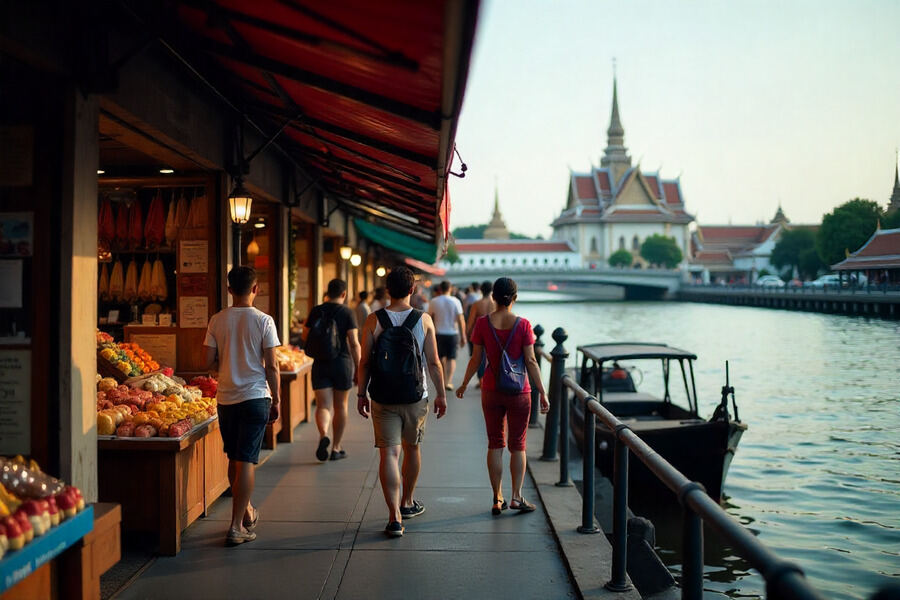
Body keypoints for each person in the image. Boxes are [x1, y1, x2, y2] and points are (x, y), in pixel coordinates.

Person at [357, 266, 446, 537]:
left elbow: (364, 362)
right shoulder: (424, 319)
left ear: (387, 290)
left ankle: (394, 516)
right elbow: (434, 362)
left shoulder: (373, 320)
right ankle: (407, 502)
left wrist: (361, 394)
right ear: (412, 289)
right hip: (415, 396)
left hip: (382, 396)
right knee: (412, 449)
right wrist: (441, 394)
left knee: (389, 454)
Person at [456, 277, 548, 516]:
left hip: (491, 390)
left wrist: (464, 384)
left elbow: (476, 359)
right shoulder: (523, 325)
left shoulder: (483, 324)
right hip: (519, 392)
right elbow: (531, 361)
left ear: (493, 297)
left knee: (495, 443)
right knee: (518, 445)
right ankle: (516, 497)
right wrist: (543, 391)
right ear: (514, 298)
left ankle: (497, 497)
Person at [203, 266, 280, 545]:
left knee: (235, 458)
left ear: (229, 289)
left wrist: (226, 365)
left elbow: (207, 361)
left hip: (226, 398)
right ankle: (236, 527)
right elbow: (272, 365)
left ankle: (246, 512)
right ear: (256, 289)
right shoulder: (264, 321)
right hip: (256, 396)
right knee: (246, 460)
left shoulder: (217, 320)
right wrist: (277, 398)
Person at [304, 279, 361, 462]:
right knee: (341, 406)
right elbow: (354, 343)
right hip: (342, 363)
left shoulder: (316, 310)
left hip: (320, 363)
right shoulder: (347, 312)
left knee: (323, 406)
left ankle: (323, 435)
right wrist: (359, 368)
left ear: (327, 292)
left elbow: (305, 335)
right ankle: (336, 448)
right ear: (344, 294)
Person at [429, 280, 466, 391]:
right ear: (450, 289)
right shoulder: (456, 301)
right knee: (451, 358)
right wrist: (463, 336)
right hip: (452, 334)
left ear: (440, 289)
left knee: (440, 358)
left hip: (438, 333)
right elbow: (461, 320)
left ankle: (442, 379)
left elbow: (429, 318)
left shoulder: (434, 301)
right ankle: (448, 382)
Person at [466, 280, 496, 387]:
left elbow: (470, 321)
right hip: (493, 334)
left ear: (481, 290)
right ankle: (490, 380)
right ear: (492, 291)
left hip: (479, 334)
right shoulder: (496, 304)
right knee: (492, 358)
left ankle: (481, 381)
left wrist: (467, 333)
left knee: (479, 358)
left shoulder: (477, 304)